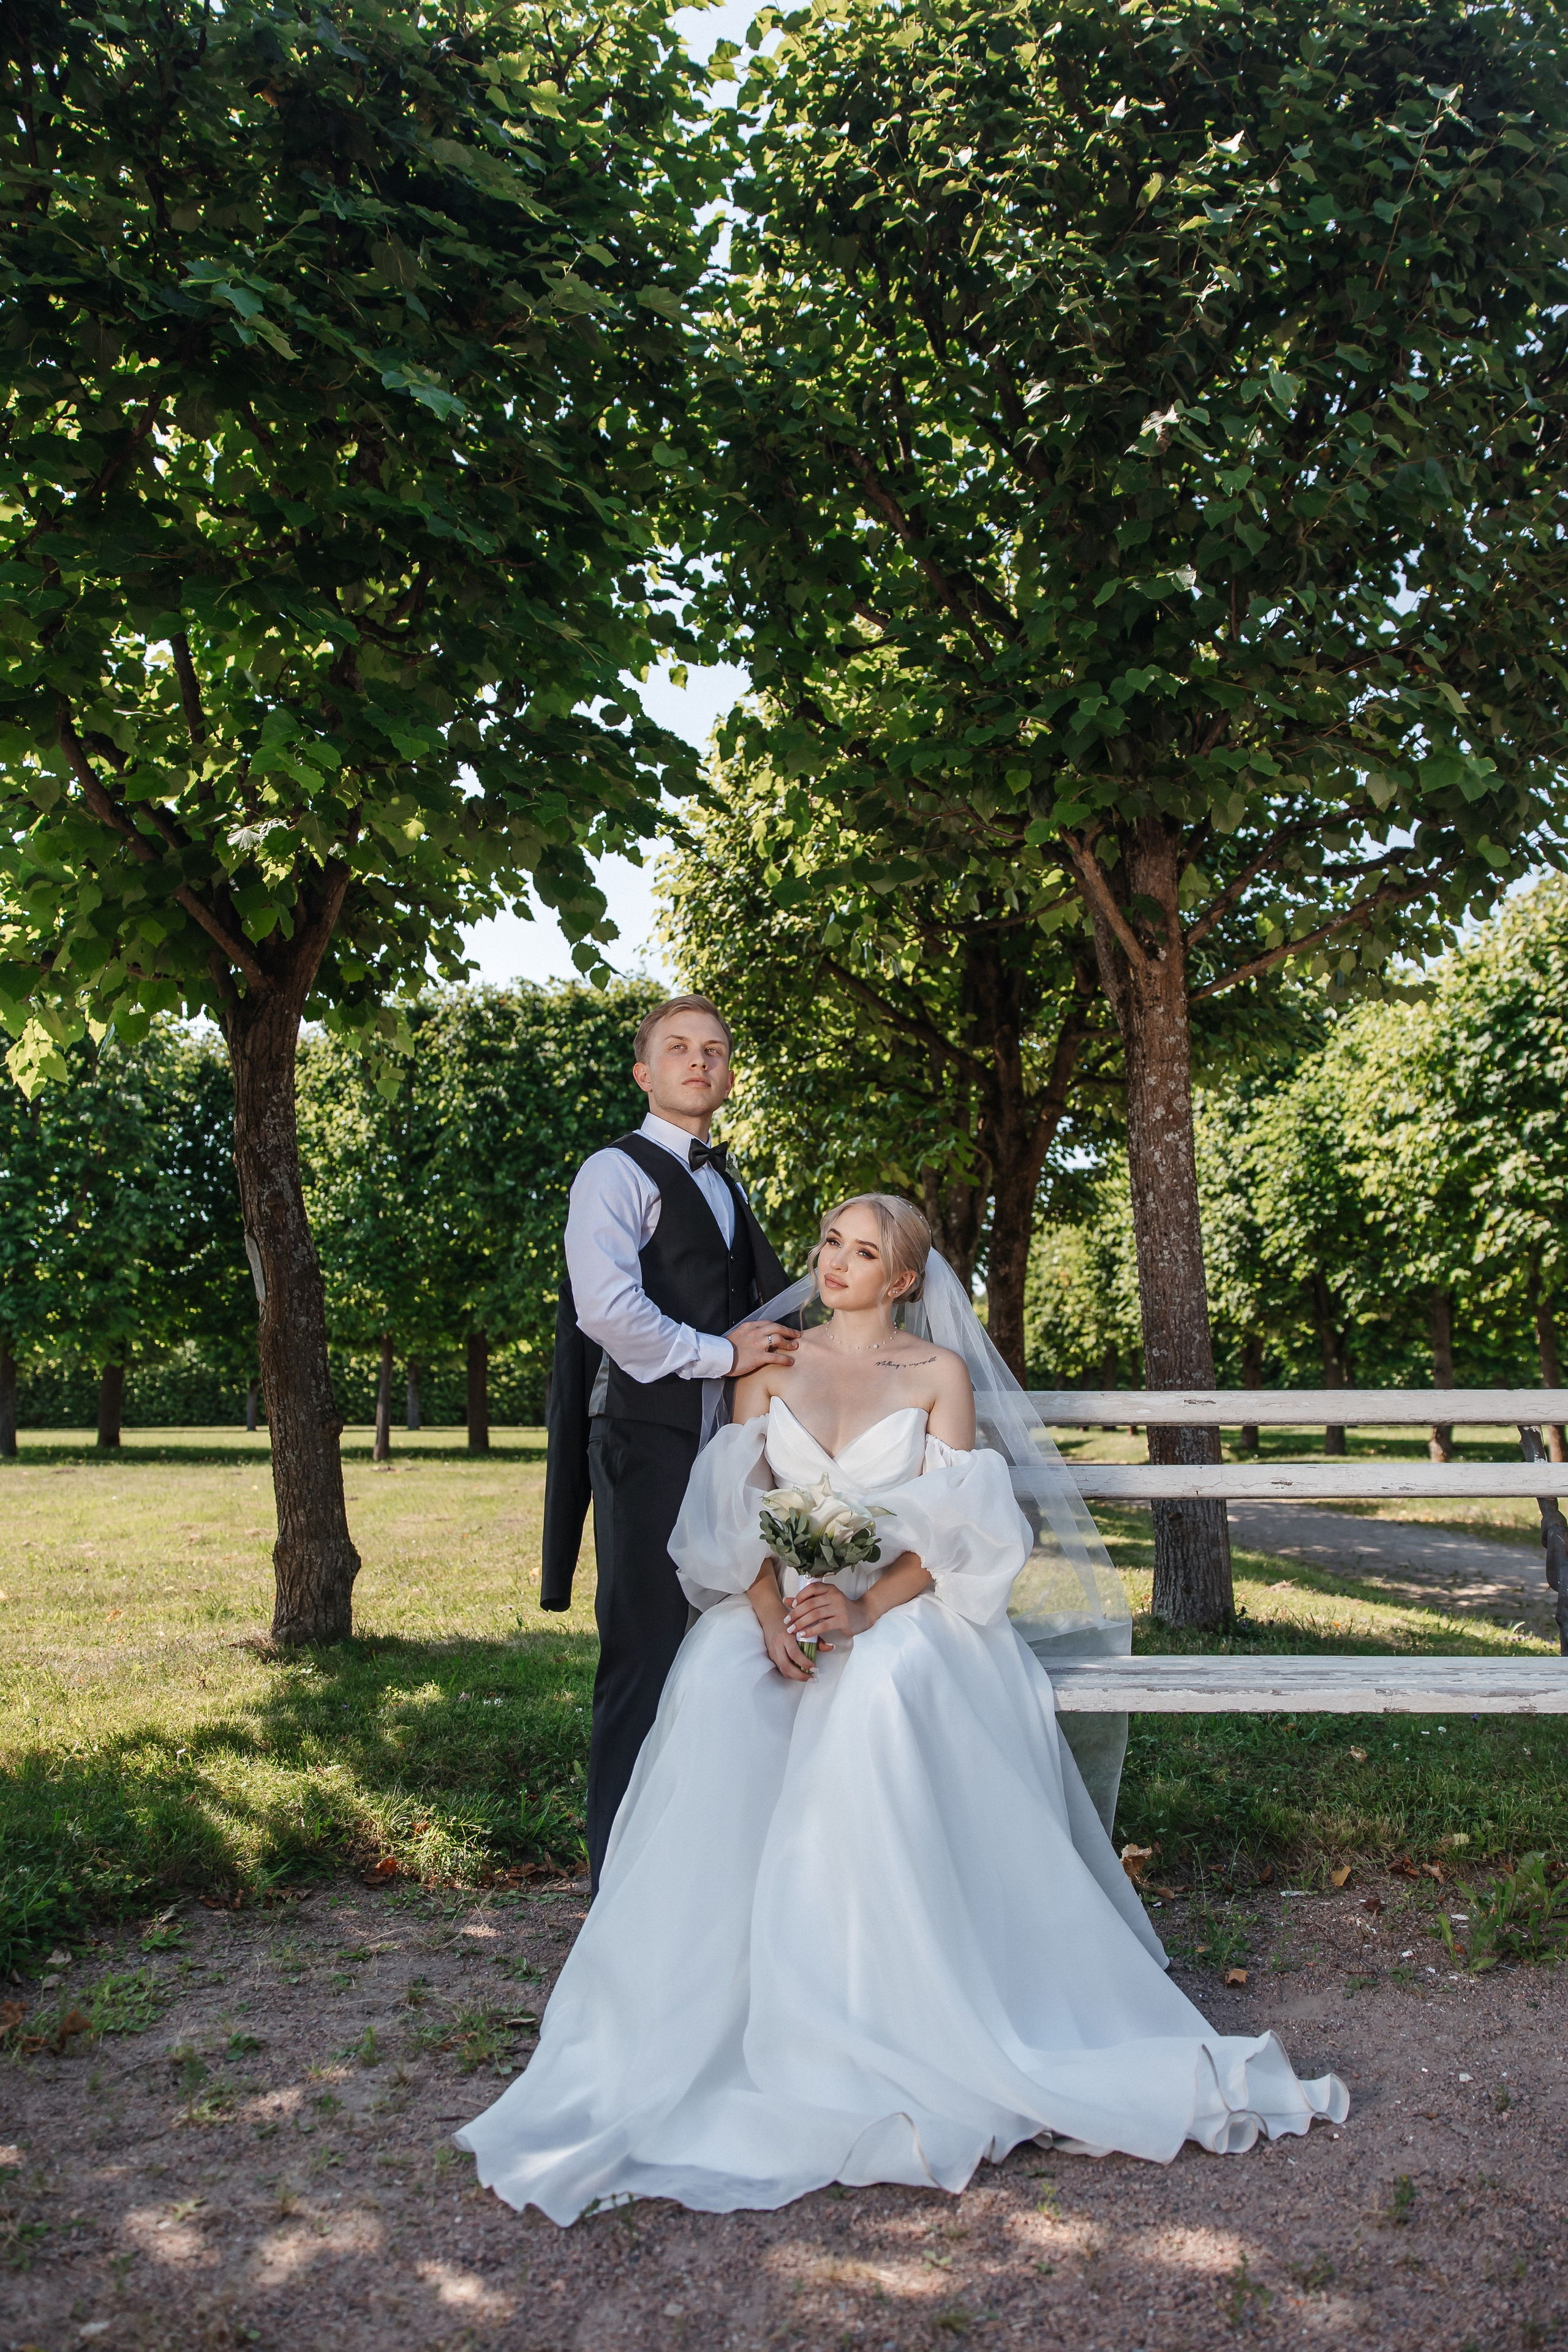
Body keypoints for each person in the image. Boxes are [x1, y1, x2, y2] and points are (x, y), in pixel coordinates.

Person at [461, 1193, 1348, 2221]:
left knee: (883, 1690)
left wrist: (864, 1606)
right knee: (716, 1679)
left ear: (905, 1280)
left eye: (864, 1251)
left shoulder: (938, 1376)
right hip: (784, 1606)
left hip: (898, 1608)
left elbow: (957, 1537)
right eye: (830, 1242)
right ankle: (691, 2001)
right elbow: (732, 1521)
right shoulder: (769, 1366)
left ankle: (887, 1997)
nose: (835, 1262)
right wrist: (772, 1618)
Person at [539, 993, 794, 1890]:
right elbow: (609, 1310)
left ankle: (708, 1871)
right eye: (679, 1048)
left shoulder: (726, 1181)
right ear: (645, 1073)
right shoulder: (613, 1172)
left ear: (728, 1075)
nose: (699, 1060)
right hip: (644, 1437)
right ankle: (617, 1880)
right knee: (644, 1647)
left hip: (728, 1442)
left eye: (715, 1049)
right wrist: (724, 1354)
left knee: (730, 1643)